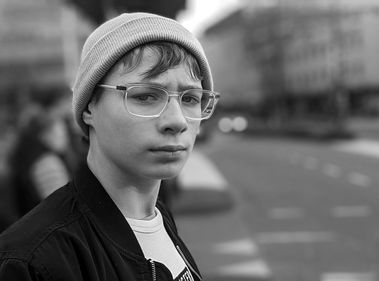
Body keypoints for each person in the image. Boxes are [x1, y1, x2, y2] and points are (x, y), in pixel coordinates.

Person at [0, 12, 220, 281]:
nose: (176, 121)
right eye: (145, 96)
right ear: (89, 106)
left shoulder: (158, 217)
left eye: (190, 98)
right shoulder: (31, 262)